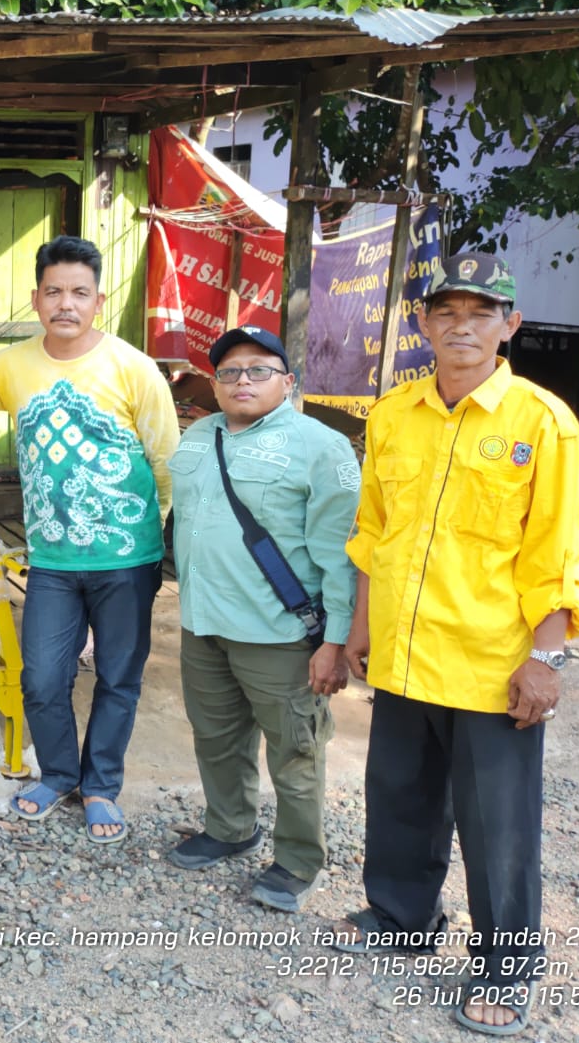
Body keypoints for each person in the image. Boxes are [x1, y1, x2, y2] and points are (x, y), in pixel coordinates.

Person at [337, 252, 579, 1036]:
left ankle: (506, 964)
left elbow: (555, 559)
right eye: (446, 312)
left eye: (482, 312)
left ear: (510, 325)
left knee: (499, 827)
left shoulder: (544, 425)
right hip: (408, 651)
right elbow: (373, 535)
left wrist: (544, 661)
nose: (462, 327)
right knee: (402, 796)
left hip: (491, 663)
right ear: (422, 323)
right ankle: (404, 914)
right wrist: (359, 629)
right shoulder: (393, 415)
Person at [0, 235, 178, 843]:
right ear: (36, 299)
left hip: (127, 557)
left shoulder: (133, 368)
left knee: (119, 676)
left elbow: (168, 461)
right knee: (41, 676)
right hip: (53, 559)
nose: (66, 303)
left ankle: (101, 785)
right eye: (54, 291)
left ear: (98, 300)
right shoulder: (13, 364)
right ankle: (59, 773)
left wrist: (154, 536)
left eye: (79, 293)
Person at [164, 325, 358, 911]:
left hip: (282, 634)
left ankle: (298, 860)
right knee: (216, 738)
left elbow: (339, 555)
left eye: (258, 370)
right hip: (204, 625)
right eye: (229, 372)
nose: (242, 381)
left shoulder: (321, 446)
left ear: (288, 381)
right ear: (215, 383)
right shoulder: (199, 435)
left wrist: (338, 641)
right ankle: (229, 828)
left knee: (295, 750)